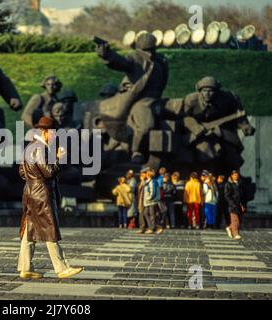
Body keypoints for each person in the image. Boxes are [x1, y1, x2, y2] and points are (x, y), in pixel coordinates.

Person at [18, 116, 83, 279]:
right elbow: (49, 171)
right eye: (54, 133)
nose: (55, 136)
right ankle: (62, 268)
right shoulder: (41, 148)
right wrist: (59, 158)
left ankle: (25, 267)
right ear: (45, 132)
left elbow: (21, 172)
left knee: (30, 230)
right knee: (50, 229)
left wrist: (33, 178)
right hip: (42, 194)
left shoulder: (29, 147)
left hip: (30, 192)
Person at [97, 33, 169, 163]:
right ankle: (137, 151)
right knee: (146, 124)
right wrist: (107, 55)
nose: (149, 53)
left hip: (157, 98)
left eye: (151, 49)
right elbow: (121, 62)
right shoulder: (135, 58)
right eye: (146, 50)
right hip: (141, 100)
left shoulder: (160, 61)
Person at [224, 170, 246, 240]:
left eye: (237, 175)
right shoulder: (228, 184)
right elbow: (227, 195)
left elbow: (241, 195)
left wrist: (242, 205)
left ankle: (229, 228)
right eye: (234, 175)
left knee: (239, 220)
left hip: (239, 205)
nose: (236, 176)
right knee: (235, 220)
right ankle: (236, 234)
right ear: (231, 176)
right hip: (232, 205)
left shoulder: (239, 183)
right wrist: (231, 203)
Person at [142, 168, 163, 235]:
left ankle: (152, 228)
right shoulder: (148, 181)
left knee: (152, 215)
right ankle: (154, 227)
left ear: (148, 175)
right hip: (148, 201)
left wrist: (150, 198)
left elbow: (153, 191)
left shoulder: (153, 181)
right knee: (146, 213)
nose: (144, 175)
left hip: (151, 201)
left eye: (145, 174)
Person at [136, 167, 148, 234]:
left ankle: (145, 227)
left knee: (146, 213)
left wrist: (142, 181)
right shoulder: (142, 181)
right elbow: (139, 191)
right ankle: (142, 227)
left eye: (142, 174)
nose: (141, 175)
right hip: (142, 199)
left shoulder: (146, 181)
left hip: (146, 200)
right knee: (141, 213)